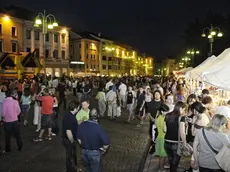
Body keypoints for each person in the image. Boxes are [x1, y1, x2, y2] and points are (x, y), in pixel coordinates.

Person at [164, 101, 187, 172]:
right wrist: (184, 143)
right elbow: (182, 133)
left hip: (166, 143)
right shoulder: (181, 118)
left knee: (171, 162)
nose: (184, 111)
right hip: (176, 144)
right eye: (184, 109)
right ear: (181, 108)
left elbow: (164, 130)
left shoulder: (167, 115)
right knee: (174, 165)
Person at [62, 100, 81, 172]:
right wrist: (72, 141)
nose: (79, 108)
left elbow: (72, 124)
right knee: (71, 156)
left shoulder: (68, 114)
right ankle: (71, 170)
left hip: (66, 139)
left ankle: (73, 168)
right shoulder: (72, 118)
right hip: (69, 139)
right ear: (76, 108)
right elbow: (68, 131)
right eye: (78, 107)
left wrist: (79, 122)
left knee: (70, 155)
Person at [155, 104, 170, 172]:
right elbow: (165, 130)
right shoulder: (163, 119)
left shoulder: (158, 117)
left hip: (160, 137)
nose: (167, 113)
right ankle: (161, 169)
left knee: (163, 155)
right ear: (161, 111)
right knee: (162, 156)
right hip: (163, 139)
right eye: (166, 112)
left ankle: (164, 166)